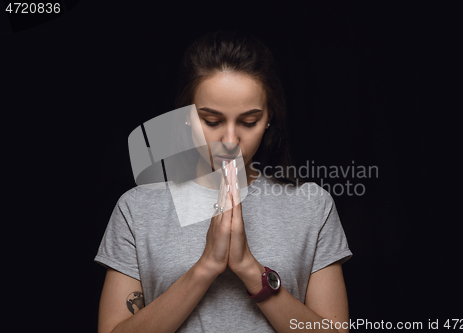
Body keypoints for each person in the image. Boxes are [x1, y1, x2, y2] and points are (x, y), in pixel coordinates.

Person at [94, 30, 353, 333]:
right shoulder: (137, 208)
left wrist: (249, 269)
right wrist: (206, 267)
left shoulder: (311, 205)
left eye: (249, 121)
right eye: (212, 121)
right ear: (187, 116)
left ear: (269, 118)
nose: (230, 141)